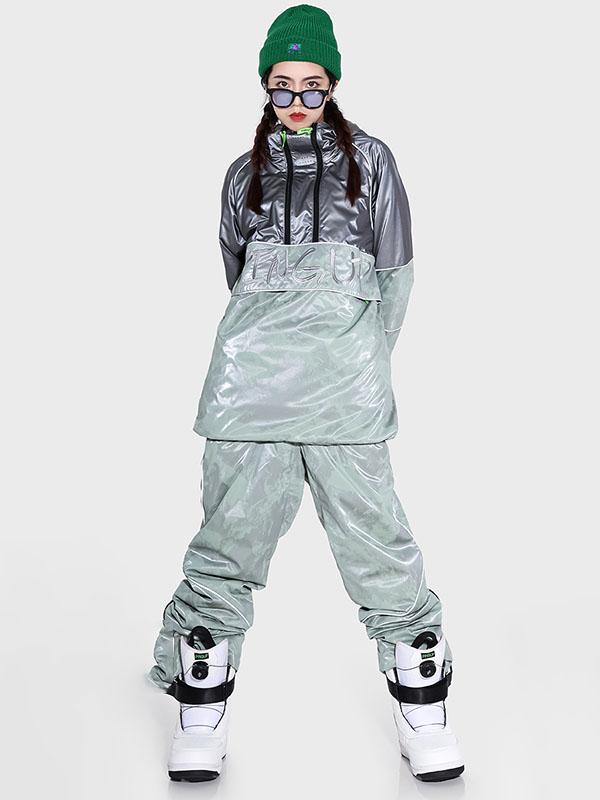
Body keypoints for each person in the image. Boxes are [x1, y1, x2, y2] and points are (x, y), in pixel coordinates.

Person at [145, 3, 464, 784]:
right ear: (265, 86)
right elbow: (240, 282)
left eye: (311, 86)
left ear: (333, 86)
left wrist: (362, 364)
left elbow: (395, 278)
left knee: (377, 545)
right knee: (229, 540)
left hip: (345, 389)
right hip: (246, 386)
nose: (295, 101)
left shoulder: (373, 162)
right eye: (281, 86)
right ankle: (201, 708)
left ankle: (423, 711)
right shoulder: (241, 174)